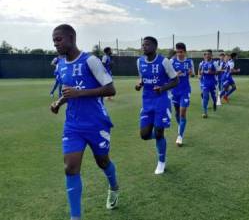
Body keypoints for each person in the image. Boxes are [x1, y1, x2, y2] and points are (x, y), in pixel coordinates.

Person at [50, 24, 119, 220]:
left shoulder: (91, 60)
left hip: (96, 123)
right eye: (54, 40)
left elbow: (110, 89)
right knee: (70, 168)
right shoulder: (61, 65)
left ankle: (114, 187)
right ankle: (75, 217)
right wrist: (59, 103)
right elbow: (68, 92)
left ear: (71, 37)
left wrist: (79, 93)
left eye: (59, 39)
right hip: (73, 125)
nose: (55, 43)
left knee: (102, 161)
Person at [135, 36, 179, 174]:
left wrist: (162, 88)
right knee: (144, 135)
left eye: (147, 45)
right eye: (143, 45)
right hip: (147, 102)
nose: (144, 47)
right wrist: (139, 84)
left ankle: (161, 162)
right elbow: (142, 78)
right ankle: (160, 136)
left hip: (162, 101)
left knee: (159, 132)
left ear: (155, 47)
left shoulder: (164, 61)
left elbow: (175, 80)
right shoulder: (139, 61)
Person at [170, 42, 194, 146]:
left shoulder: (189, 62)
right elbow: (168, 76)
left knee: (182, 112)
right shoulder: (172, 61)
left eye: (181, 52)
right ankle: (181, 126)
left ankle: (180, 136)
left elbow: (193, 74)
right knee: (176, 111)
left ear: (185, 51)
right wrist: (176, 74)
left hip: (185, 90)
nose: (179, 54)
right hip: (174, 90)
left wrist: (190, 73)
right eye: (177, 51)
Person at [198, 50, 218, 118]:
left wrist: (211, 72)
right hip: (205, 82)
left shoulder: (214, 63)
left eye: (209, 54)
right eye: (206, 54)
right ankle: (205, 113)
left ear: (211, 55)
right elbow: (199, 71)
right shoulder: (202, 63)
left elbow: (217, 72)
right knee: (205, 97)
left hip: (213, 82)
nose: (207, 55)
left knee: (214, 97)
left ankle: (215, 103)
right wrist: (199, 75)